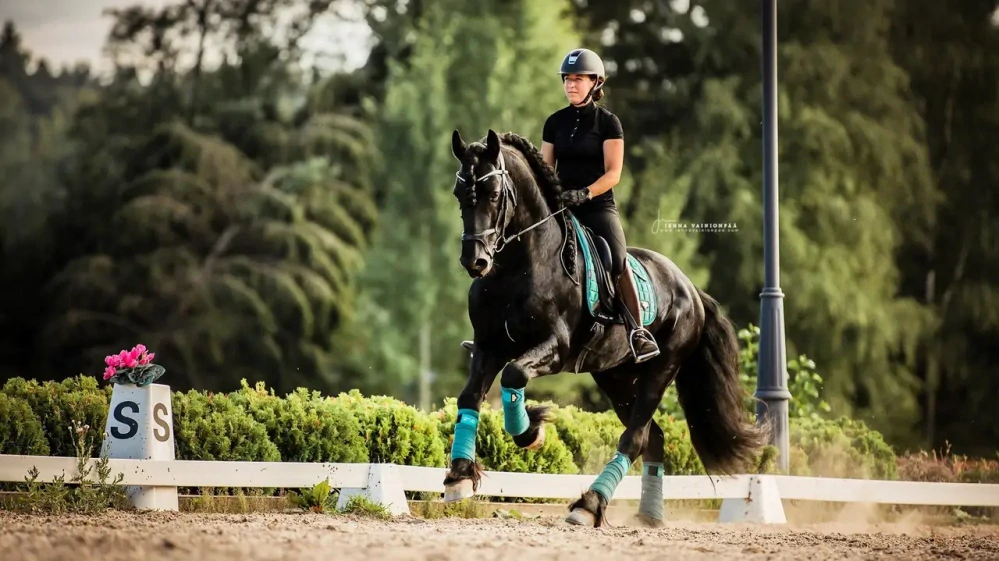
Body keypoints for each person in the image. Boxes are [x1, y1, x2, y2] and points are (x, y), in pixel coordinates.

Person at [460, 48, 660, 364]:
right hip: (560, 207)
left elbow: (614, 173)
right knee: (512, 251)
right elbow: (546, 169)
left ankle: (637, 331)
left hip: (597, 208)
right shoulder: (555, 123)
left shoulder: (608, 123)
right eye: (567, 79)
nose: (571, 85)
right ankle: (492, 331)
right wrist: (553, 196)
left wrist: (585, 193)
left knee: (617, 257)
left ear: (595, 83)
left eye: (578, 79)